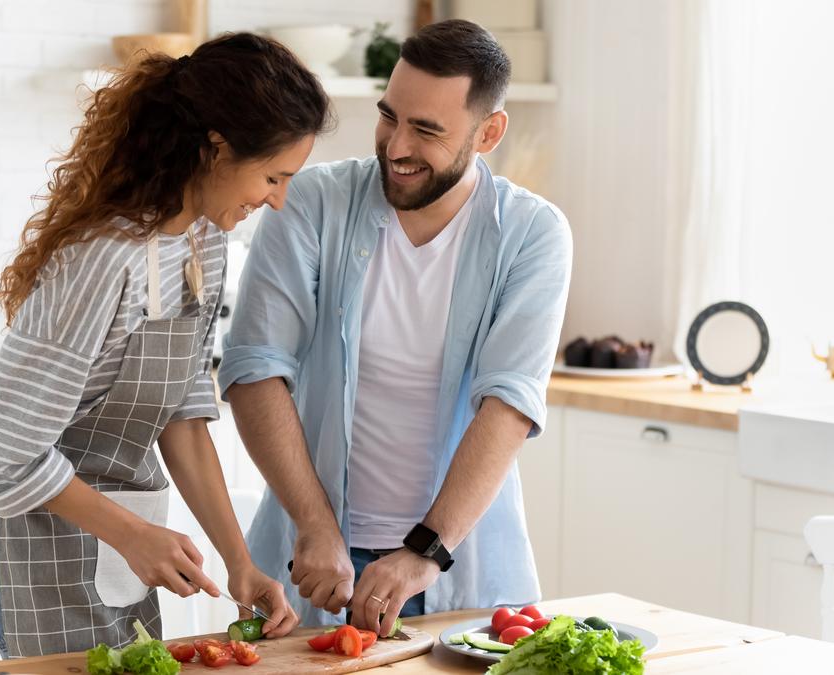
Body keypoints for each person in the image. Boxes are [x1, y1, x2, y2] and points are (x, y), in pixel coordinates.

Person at [0, 32, 331, 657]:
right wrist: (134, 536)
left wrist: (239, 561)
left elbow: (184, 418)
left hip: (121, 563)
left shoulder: (203, 244)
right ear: (216, 148)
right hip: (44, 560)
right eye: (272, 176)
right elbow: (2, 445)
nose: (277, 199)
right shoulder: (101, 259)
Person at [218, 19, 572, 634]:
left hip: (456, 566)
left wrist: (425, 551)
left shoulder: (533, 233)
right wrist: (315, 524)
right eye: (391, 117)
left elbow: (510, 402)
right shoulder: (309, 203)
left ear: (489, 133)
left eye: (427, 130)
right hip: (312, 562)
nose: (397, 146)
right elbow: (254, 369)